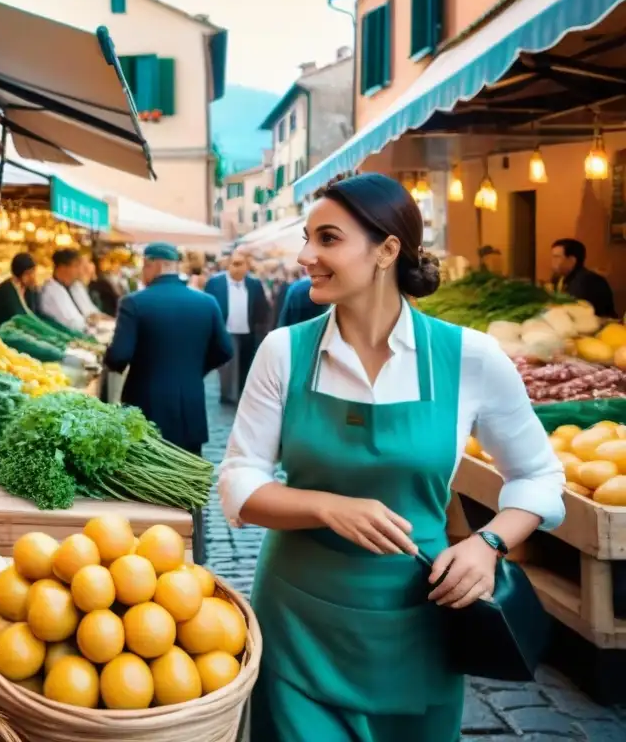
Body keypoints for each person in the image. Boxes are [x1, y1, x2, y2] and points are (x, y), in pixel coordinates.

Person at [219, 173, 565, 742]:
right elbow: (239, 482)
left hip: (422, 625)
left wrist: (488, 543)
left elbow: (538, 475)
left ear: (386, 249)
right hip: (299, 626)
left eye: (327, 239)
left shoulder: (472, 358)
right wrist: (329, 507)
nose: (307, 255)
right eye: (307, 238)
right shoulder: (283, 352)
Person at [105, 242, 233, 564]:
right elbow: (225, 349)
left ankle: (145, 559)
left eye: (143, 265)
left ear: (154, 264)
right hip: (189, 407)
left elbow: (119, 355)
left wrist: (116, 362)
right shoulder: (207, 303)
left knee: (144, 487)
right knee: (188, 485)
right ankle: (193, 554)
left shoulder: (135, 303)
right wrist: (194, 372)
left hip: (143, 408)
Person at [205, 250, 271, 404]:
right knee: (227, 366)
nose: (238, 268)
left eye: (241, 265)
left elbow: (261, 307)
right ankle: (227, 394)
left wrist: (261, 329)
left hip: (248, 331)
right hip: (225, 330)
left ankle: (241, 391)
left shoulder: (253, 284)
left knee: (245, 363)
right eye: (234, 264)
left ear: (247, 267)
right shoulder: (215, 283)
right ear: (228, 265)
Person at [551, 239, 616, 317]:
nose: (552, 261)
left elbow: (577, 313)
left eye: (557, 257)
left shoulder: (587, 281)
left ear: (572, 260)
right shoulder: (560, 279)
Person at [0, 252, 39, 333]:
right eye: (28, 273)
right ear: (19, 274)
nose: (32, 277)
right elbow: (18, 318)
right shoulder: (5, 292)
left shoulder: (28, 290)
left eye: (33, 272)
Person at [39, 248, 89, 333]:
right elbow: (72, 324)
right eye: (76, 266)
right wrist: (89, 322)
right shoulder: (52, 291)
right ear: (62, 268)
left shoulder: (68, 287)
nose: (79, 271)